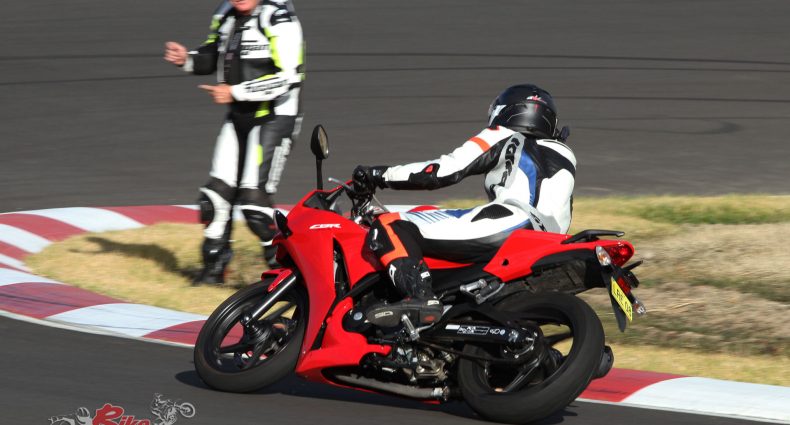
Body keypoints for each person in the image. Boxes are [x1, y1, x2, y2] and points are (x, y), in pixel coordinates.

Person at [353, 84, 577, 327]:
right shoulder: (564, 156)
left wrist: (378, 175)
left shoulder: (503, 134)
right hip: (551, 243)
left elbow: (440, 172)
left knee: (389, 225)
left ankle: (420, 296)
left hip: (510, 223)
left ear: (505, 111)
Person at [164, 0, 305, 284]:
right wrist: (186, 59)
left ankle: (289, 276)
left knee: (254, 208)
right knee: (214, 198)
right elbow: (213, 54)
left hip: (274, 119)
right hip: (238, 117)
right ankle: (213, 270)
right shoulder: (225, 13)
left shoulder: (279, 19)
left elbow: (290, 77)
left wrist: (236, 92)